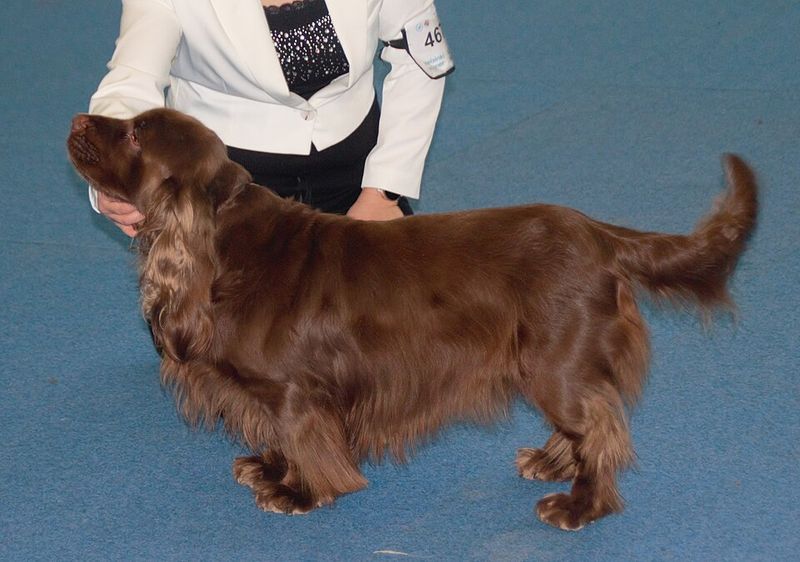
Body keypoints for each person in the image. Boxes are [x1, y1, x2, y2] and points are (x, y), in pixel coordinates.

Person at [87, 0, 453, 235]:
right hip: (228, 191)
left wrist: (384, 191)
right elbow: (131, 83)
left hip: (357, 176)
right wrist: (111, 174)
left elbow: (421, 62)